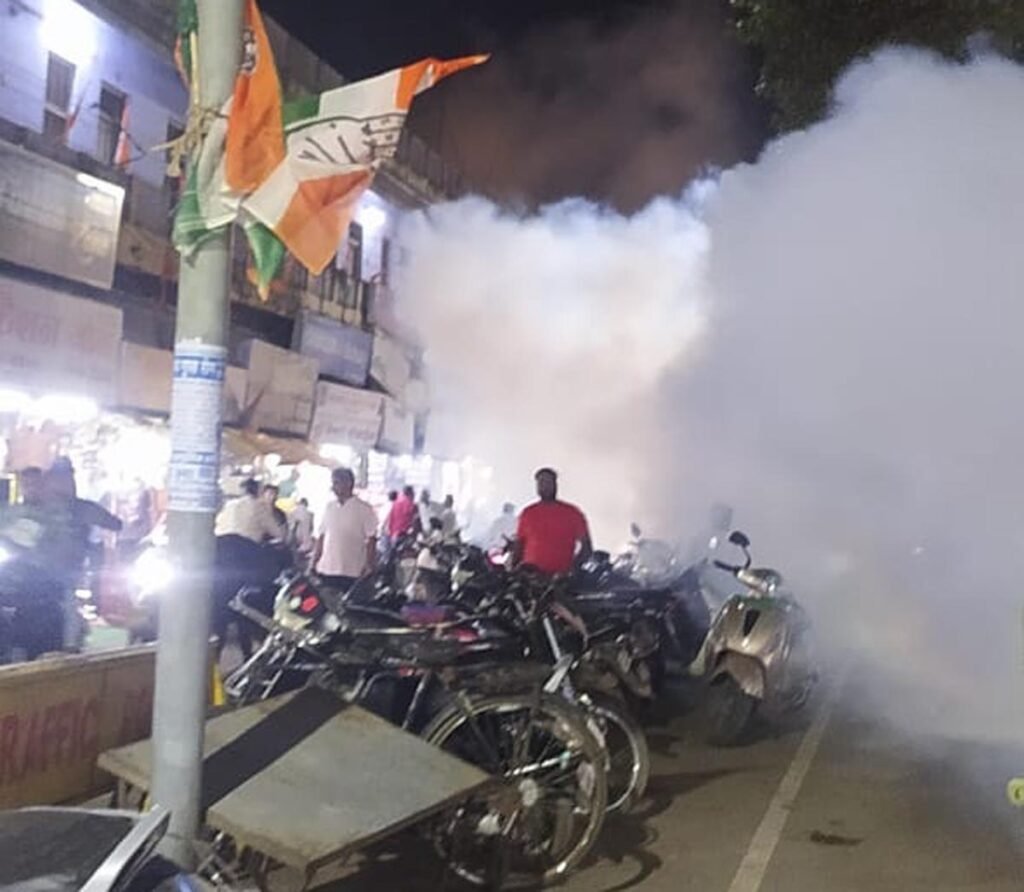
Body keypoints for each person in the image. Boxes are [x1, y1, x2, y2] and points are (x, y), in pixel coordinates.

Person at [514, 468, 592, 575]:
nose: (545, 486)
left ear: (555, 485)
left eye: (548, 482)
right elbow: (519, 546)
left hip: (560, 581)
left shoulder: (572, 513)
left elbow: (586, 547)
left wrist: (573, 569)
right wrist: (513, 571)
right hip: (529, 579)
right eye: (541, 482)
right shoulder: (527, 513)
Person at [312, 467, 378, 590]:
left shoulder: (364, 509)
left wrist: (369, 565)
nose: (333, 487)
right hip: (327, 568)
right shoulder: (329, 507)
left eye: (336, 482)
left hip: (352, 570)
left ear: (348, 483)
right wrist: (315, 560)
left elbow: (371, 539)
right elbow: (322, 536)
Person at [215, 478, 283, 543]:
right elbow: (278, 533)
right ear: (259, 492)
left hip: (222, 546)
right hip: (246, 549)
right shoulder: (259, 507)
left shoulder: (229, 505)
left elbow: (218, 523)